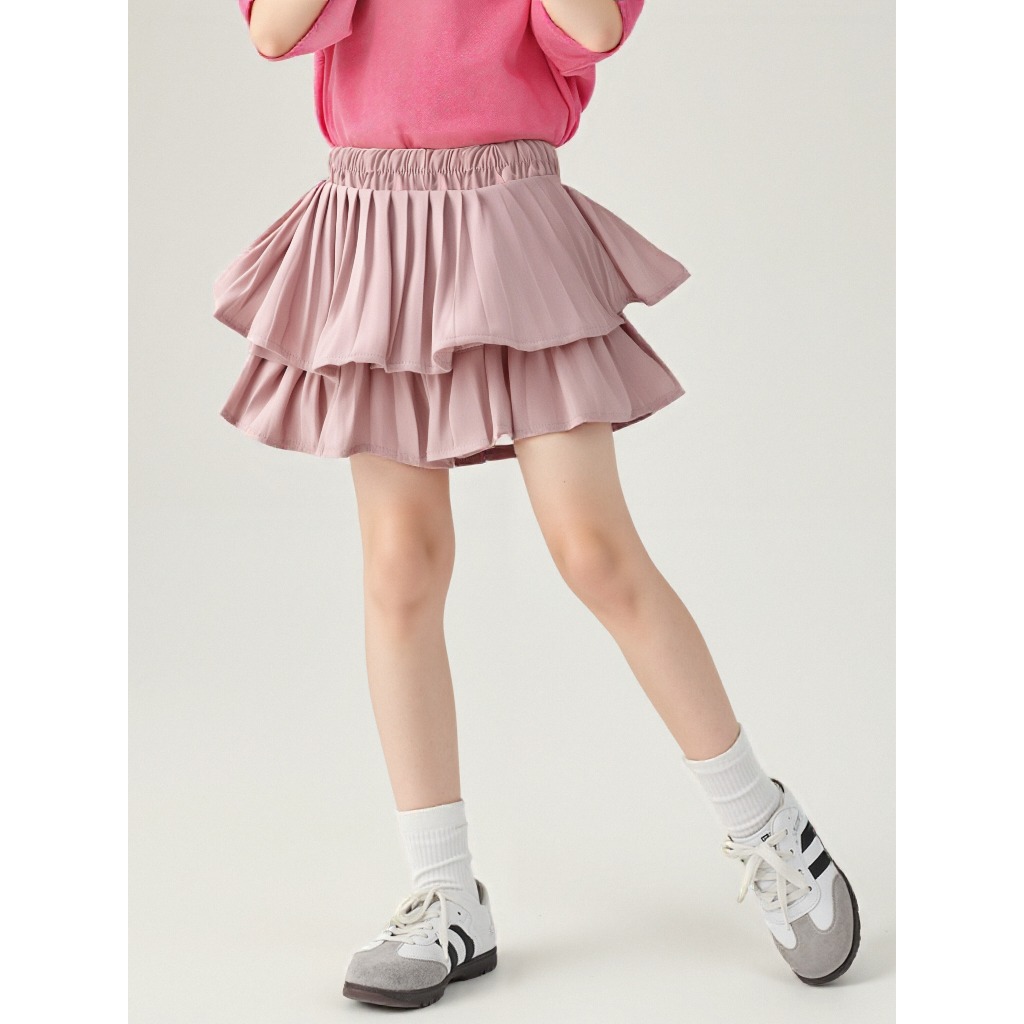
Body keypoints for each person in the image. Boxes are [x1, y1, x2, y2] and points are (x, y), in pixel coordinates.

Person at [213, 0, 860, 1009]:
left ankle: (767, 827)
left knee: (593, 548)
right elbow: (274, 30)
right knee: (400, 565)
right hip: (375, 220)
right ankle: (444, 892)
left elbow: (590, 28)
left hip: (510, 217)